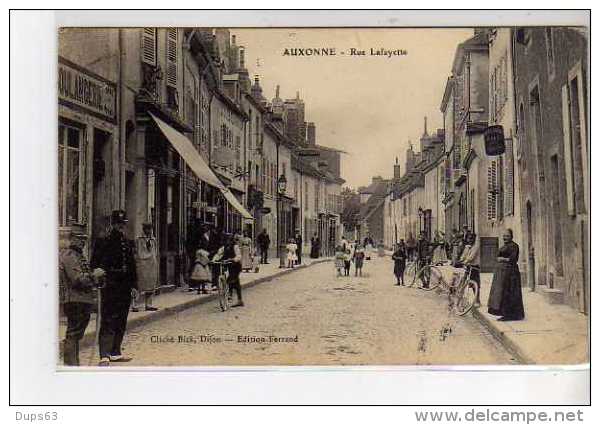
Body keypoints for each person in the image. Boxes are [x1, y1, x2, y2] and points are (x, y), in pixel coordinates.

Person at [92, 210, 138, 366]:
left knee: (121, 319)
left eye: (122, 224)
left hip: (124, 286)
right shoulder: (103, 240)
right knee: (108, 319)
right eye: (118, 224)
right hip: (110, 284)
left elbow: (132, 266)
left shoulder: (127, 241)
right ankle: (104, 354)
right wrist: (98, 274)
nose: (120, 227)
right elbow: (95, 263)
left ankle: (115, 352)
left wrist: (134, 286)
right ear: (112, 224)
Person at [59, 223, 105, 366]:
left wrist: (98, 279)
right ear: (72, 239)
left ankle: (73, 364)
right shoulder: (69, 255)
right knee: (73, 334)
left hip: (82, 300)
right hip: (75, 300)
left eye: (84, 239)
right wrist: (94, 275)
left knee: (76, 335)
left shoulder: (78, 255)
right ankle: (71, 366)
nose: (83, 242)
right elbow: (78, 280)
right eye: (80, 239)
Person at [487, 229, 524, 321]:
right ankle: (504, 313)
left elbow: (513, 259)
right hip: (502, 273)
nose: (505, 238)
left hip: (511, 273)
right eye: (504, 236)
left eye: (507, 236)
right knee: (502, 293)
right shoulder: (505, 246)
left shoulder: (514, 246)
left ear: (511, 236)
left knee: (509, 293)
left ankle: (511, 315)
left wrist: (502, 259)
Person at [132, 223, 158, 312]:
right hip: (142, 264)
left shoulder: (153, 239)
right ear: (144, 229)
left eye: (150, 229)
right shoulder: (138, 239)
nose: (149, 231)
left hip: (151, 264)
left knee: (151, 284)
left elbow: (155, 252)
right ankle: (134, 304)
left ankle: (148, 304)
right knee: (139, 285)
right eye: (147, 229)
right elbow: (135, 251)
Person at [458, 231, 481, 307]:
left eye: (472, 239)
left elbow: (471, 257)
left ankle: (477, 300)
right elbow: (464, 255)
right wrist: (461, 260)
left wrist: (465, 261)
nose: (470, 240)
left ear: (474, 239)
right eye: (469, 238)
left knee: (475, 284)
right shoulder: (467, 247)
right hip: (468, 266)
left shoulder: (476, 247)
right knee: (463, 280)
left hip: (474, 267)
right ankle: (459, 296)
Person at [221, 234, 244, 307]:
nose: (227, 242)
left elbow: (239, 256)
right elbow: (219, 254)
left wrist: (232, 259)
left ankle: (230, 295)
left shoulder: (235, 246)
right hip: (230, 267)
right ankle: (239, 300)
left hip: (236, 266)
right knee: (236, 283)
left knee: (231, 279)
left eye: (229, 240)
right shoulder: (224, 247)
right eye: (226, 240)